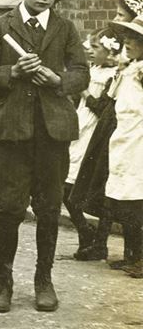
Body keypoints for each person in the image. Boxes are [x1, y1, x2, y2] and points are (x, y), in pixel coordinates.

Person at [0, 0, 89, 313]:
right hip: (14, 133)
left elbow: (82, 73)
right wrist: (12, 71)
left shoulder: (65, 28)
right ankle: (4, 284)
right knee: (9, 209)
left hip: (53, 134)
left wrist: (59, 81)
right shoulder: (1, 27)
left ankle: (44, 281)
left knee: (49, 210)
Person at [63, 29, 121, 258]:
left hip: (95, 134)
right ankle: (84, 230)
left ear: (109, 53)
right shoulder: (92, 69)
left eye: (96, 48)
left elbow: (103, 109)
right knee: (63, 186)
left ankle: (100, 242)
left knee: (89, 186)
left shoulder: (115, 75)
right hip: (80, 128)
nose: (90, 51)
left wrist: (85, 93)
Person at [105, 15, 143, 277]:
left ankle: (140, 257)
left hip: (139, 144)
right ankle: (131, 254)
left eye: (136, 39)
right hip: (123, 141)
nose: (128, 42)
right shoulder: (130, 69)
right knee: (125, 202)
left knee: (137, 202)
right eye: (127, 37)